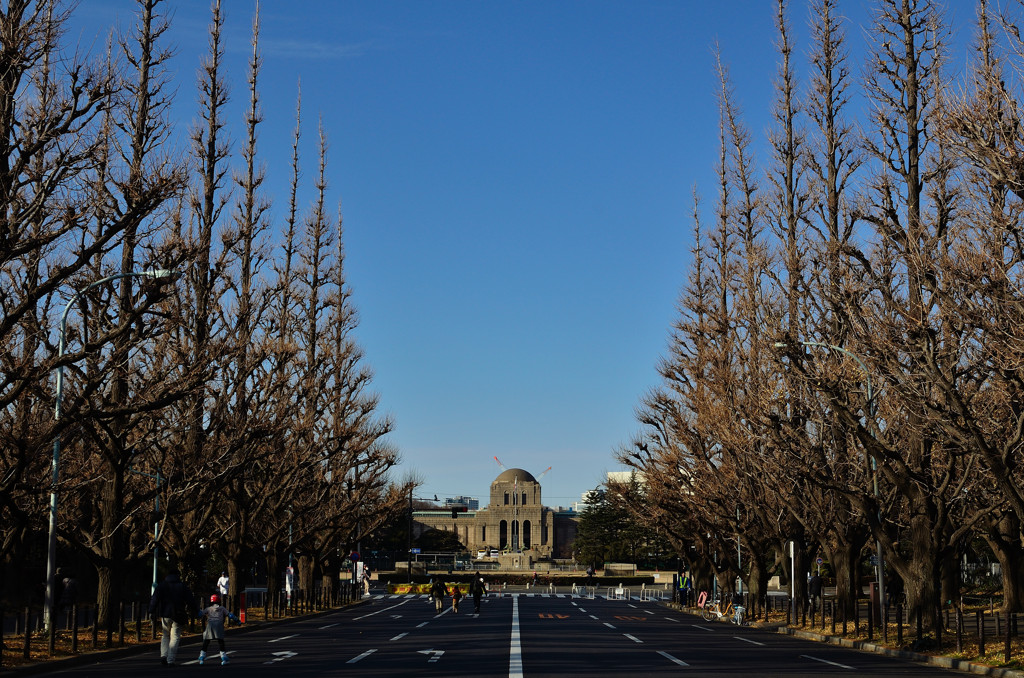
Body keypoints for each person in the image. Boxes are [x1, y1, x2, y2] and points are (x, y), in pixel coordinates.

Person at [149, 570, 197, 667]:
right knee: (175, 636)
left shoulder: (162, 585)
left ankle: (164, 655)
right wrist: (196, 610)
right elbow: (190, 600)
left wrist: (151, 610)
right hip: (178, 614)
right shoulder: (182, 586)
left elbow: (155, 599)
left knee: (165, 635)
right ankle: (170, 660)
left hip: (165, 614)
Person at [197, 593, 237, 665]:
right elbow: (230, 615)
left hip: (210, 625)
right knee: (220, 641)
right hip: (219, 625)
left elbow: (201, 614)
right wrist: (237, 620)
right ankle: (223, 657)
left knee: (206, 641)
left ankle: (202, 656)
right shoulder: (222, 608)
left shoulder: (208, 608)